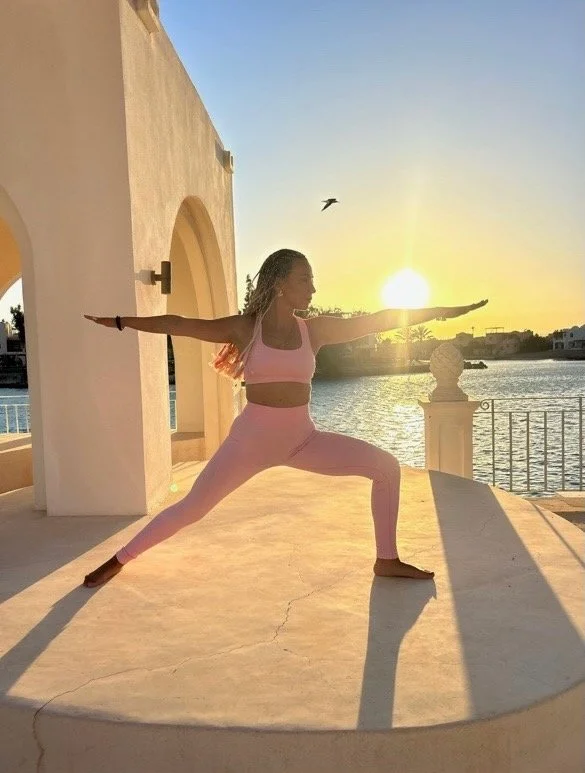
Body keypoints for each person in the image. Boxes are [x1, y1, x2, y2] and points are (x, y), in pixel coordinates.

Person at [82, 248, 488, 587]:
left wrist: (443, 311)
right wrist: (119, 322)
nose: (313, 288)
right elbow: (179, 324)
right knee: (192, 508)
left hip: (302, 441)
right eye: (305, 280)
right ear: (280, 284)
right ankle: (119, 559)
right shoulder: (245, 329)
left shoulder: (315, 330)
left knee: (386, 468)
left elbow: (380, 319)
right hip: (249, 443)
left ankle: (387, 559)